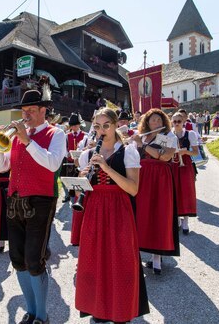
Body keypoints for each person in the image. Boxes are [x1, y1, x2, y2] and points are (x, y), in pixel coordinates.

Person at [0, 82, 66, 324]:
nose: (26, 115)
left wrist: (27, 142)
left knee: (34, 260)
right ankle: (32, 310)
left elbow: (53, 164)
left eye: (31, 110)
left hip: (41, 201)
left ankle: (42, 315)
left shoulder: (56, 134)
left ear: (44, 111)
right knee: (17, 259)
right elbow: (2, 167)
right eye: (23, 111)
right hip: (14, 200)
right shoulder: (15, 138)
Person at [75, 107, 149, 323]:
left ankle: (121, 310)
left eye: (106, 125)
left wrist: (107, 169)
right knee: (95, 261)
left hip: (119, 210)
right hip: (94, 211)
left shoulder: (129, 151)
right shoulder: (87, 154)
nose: (101, 130)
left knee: (120, 261)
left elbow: (133, 189)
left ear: (116, 125)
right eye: (97, 126)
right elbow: (82, 191)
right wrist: (80, 182)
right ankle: (98, 308)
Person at [132, 109, 179, 275]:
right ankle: (144, 251)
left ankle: (157, 256)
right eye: (153, 120)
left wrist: (142, 145)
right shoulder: (143, 136)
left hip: (160, 179)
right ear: (147, 122)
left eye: (159, 120)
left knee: (160, 214)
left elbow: (164, 157)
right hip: (143, 177)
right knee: (143, 213)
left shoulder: (166, 137)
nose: (156, 123)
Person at [170, 112, 199, 234]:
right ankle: (177, 219)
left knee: (187, 191)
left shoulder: (190, 134)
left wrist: (185, 152)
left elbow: (196, 152)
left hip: (185, 165)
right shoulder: (169, 135)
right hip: (173, 165)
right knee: (174, 191)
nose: (176, 124)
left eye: (179, 121)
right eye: (174, 121)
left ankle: (186, 220)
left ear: (183, 122)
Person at [62, 113, 87, 204]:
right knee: (70, 182)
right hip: (70, 163)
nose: (74, 127)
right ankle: (71, 198)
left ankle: (80, 199)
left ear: (79, 125)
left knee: (80, 182)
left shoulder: (85, 135)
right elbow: (64, 147)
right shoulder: (67, 136)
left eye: (76, 125)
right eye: (72, 126)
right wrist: (67, 154)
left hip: (81, 163)